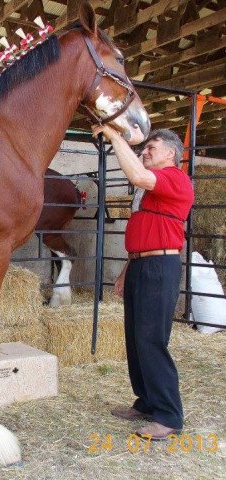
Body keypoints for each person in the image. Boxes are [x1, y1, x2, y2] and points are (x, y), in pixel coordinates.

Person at [92, 125, 194, 440]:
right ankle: (146, 401)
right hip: (141, 263)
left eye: (153, 146)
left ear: (171, 154)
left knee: (151, 340)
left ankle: (169, 416)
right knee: (136, 340)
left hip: (159, 266)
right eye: (145, 146)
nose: (146, 150)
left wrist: (115, 135)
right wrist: (126, 270)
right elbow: (144, 232)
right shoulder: (151, 187)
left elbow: (137, 175)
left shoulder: (176, 178)